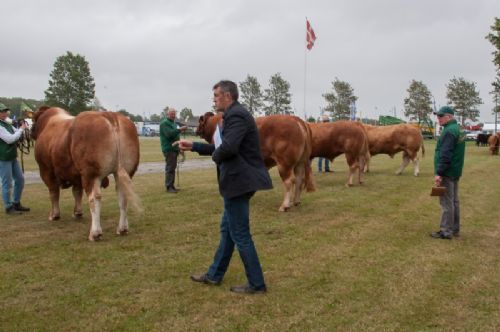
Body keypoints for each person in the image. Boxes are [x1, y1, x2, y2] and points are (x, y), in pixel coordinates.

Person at [175, 80, 273, 294]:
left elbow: (227, 148)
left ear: (228, 96)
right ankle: (214, 274)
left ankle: (257, 284)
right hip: (239, 180)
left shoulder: (236, 115)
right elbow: (222, 147)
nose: (214, 99)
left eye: (217, 95)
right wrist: (194, 146)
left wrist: (216, 158)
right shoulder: (233, 115)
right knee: (228, 231)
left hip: (239, 181)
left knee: (240, 234)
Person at [431, 106, 465, 240]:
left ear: (449, 117)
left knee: (446, 203)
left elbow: (445, 154)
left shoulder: (449, 131)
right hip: (455, 171)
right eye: (437, 116)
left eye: (441, 116)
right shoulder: (458, 129)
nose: (438, 118)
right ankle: (455, 228)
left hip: (447, 172)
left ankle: (446, 231)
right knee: (454, 201)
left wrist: (439, 173)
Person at [0, 103, 30, 214]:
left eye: (5, 111)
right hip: (3, 158)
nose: (4, 113)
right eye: (1, 111)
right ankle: (8, 207)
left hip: (12, 156)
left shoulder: (6, 124)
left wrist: (20, 127)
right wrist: (21, 129)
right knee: (7, 183)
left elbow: (16, 132)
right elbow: (10, 139)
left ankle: (16, 203)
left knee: (20, 179)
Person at [159, 107, 187, 193]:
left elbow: (175, 135)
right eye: (172, 114)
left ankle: (172, 186)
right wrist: (179, 129)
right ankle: (169, 187)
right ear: (167, 114)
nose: (173, 115)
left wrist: (179, 147)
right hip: (169, 148)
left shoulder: (173, 123)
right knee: (170, 168)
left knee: (173, 167)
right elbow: (169, 134)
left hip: (174, 148)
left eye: (174, 114)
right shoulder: (164, 123)